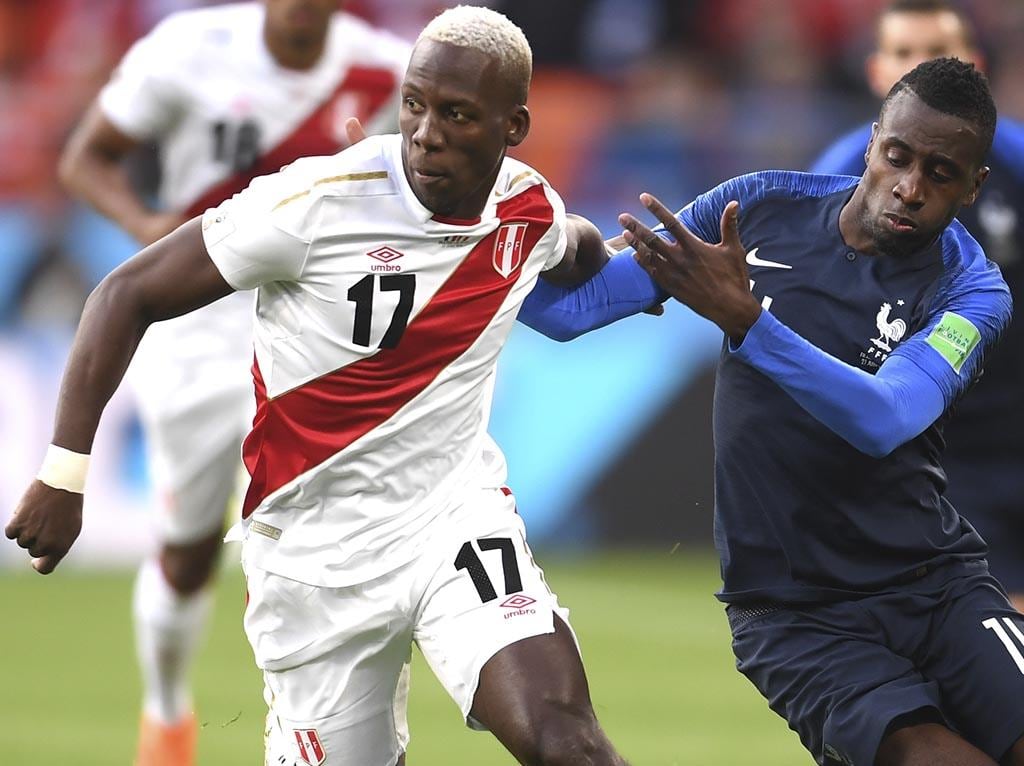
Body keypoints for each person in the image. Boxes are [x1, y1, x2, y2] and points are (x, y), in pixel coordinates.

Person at [8, 6, 662, 765]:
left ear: (512, 127)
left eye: (456, 115)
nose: (425, 132)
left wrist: (668, 265)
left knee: (566, 739)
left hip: (452, 520)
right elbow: (125, 294)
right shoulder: (316, 201)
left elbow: (577, 251)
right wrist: (65, 474)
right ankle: (166, 722)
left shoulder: (526, 205)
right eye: (415, 105)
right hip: (314, 558)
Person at [620, 58, 1024, 766]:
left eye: (940, 173)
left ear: (972, 187)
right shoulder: (758, 210)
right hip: (798, 614)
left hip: (937, 586)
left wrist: (748, 323)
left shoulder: (974, 292)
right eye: (897, 157)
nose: (909, 187)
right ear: (872, 143)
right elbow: (574, 309)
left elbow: (884, 417)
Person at [56, 2, 411, 763]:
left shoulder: (386, 68)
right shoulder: (189, 49)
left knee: (315, 550)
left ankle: (310, 730)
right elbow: (85, 157)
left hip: (319, 340)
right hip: (195, 335)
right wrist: (148, 230)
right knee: (186, 553)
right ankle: (167, 716)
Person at [810, 0, 1024, 614]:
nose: (923, 67)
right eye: (905, 54)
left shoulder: (1012, 165)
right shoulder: (839, 178)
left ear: (974, 69)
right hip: (939, 445)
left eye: (939, 52)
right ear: (879, 73)